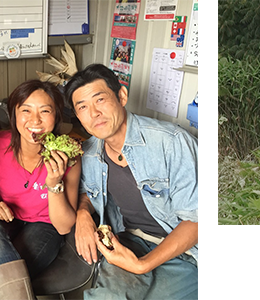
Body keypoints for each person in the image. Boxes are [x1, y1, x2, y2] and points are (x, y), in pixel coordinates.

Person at [64, 64, 198, 299]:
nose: (94, 113)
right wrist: (83, 214)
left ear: (122, 96)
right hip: (128, 240)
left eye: (100, 100)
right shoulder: (90, 151)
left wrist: (142, 265)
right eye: (82, 107)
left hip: (185, 253)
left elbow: (197, 220)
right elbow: (86, 191)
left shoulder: (172, 142)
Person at [0, 80, 82, 299]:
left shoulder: (68, 155)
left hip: (45, 225)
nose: (35, 120)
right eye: (26, 110)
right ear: (14, 115)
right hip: (8, 219)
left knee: (11, 277)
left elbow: (63, 227)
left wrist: (54, 183)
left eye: (45, 111)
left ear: (56, 117)